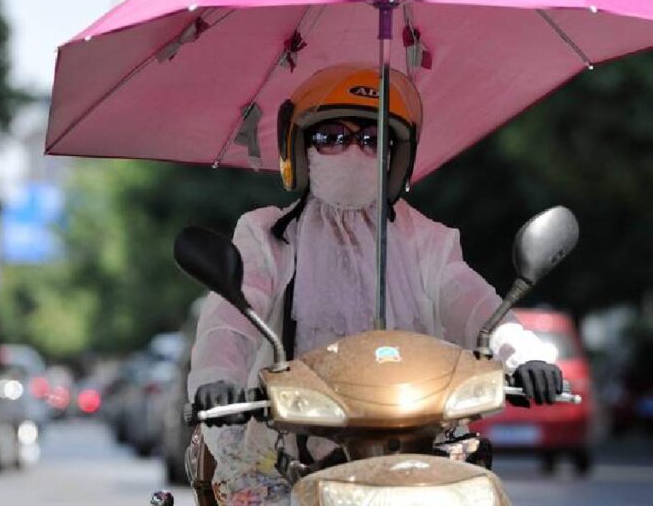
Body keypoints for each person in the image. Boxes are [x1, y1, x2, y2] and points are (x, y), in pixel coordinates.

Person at [187, 63, 563, 505]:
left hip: (417, 443)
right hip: (285, 450)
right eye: (332, 137)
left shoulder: (429, 241)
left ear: (395, 155)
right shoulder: (267, 236)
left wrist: (526, 357)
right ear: (299, 146)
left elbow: (476, 305)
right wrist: (217, 377)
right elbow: (231, 317)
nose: (354, 151)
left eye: (372, 140)